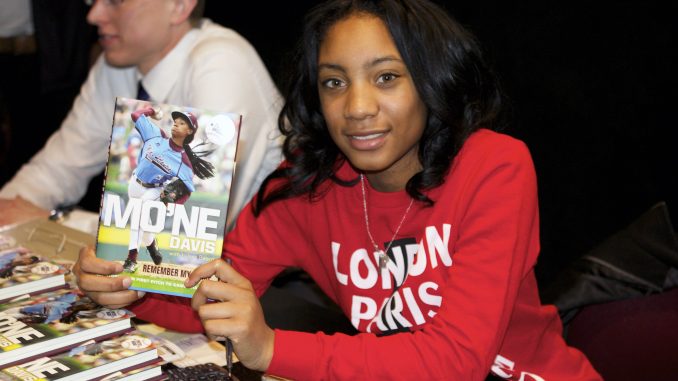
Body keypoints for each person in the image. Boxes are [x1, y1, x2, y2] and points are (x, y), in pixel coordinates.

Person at [75, 0, 602, 379]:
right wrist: (133, 286)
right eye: (334, 82)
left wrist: (270, 348)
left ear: (433, 81)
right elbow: (209, 297)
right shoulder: (306, 188)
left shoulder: (493, 166)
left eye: (387, 77)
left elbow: (454, 361)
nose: (356, 107)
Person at [0, 0, 283, 230]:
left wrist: (49, 221)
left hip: (275, 286)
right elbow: (59, 168)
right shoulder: (118, 65)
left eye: (115, 1)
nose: (93, 15)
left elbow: (186, 227)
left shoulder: (221, 64)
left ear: (179, 6)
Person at [121, 106, 215, 272]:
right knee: (143, 222)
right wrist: (152, 111)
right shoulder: (156, 135)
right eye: (175, 122)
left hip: (155, 190)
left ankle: (131, 258)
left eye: (182, 123)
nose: (175, 125)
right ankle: (152, 246)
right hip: (134, 183)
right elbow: (135, 114)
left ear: (190, 131)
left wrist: (171, 203)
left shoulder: (183, 161)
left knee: (138, 212)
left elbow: (187, 190)